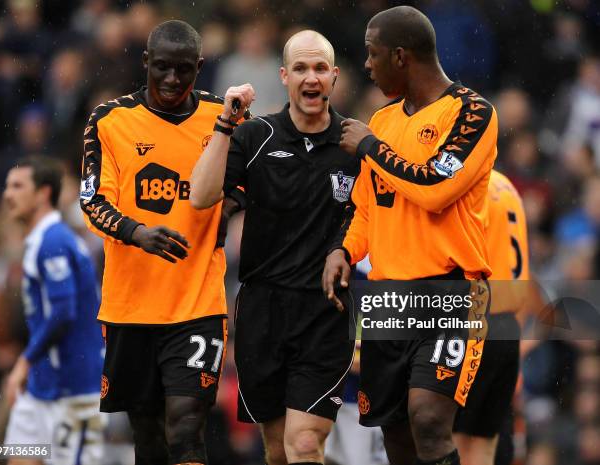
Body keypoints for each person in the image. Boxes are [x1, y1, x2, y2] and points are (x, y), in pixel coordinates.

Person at [323, 6, 498, 465]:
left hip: (450, 290)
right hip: (387, 297)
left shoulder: (472, 111)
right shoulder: (382, 120)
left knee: (428, 420)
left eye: (372, 54)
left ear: (400, 57)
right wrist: (344, 248)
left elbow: (435, 188)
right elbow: (366, 207)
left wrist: (370, 147)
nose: (366, 65)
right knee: (395, 434)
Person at [190, 30, 359, 465]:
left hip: (326, 313)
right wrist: (226, 123)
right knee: (277, 448)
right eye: (301, 68)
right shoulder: (255, 136)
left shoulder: (356, 145)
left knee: (305, 445)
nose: (311, 77)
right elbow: (201, 195)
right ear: (284, 76)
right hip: (262, 311)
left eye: (320, 68)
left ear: (335, 76)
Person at [79, 20, 243, 465]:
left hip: (198, 304)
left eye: (184, 70)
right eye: (163, 68)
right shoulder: (111, 120)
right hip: (131, 305)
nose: (173, 80)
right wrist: (138, 233)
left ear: (200, 67)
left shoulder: (223, 118)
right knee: (147, 433)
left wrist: (228, 206)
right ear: (146, 61)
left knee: (187, 426)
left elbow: (249, 176)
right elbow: (91, 199)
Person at [3, 156, 104, 465]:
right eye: (7, 185)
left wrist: (24, 360)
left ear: (44, 193)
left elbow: (63, 311)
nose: (8, 194)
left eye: (18, 186)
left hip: (73, 392)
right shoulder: (43, 240)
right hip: (41, 388)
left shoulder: (54, 241)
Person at [453, 170, 529, 465]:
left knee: (455, 440)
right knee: (484, 445)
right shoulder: (507, 185)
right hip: (508, 327)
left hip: (475, 323)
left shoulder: (470, 185)